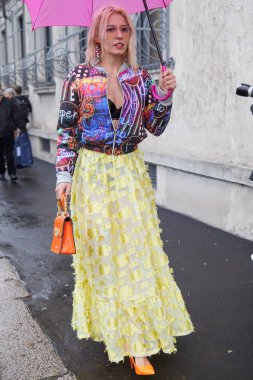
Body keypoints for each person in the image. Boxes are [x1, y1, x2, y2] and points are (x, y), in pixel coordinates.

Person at [55, 5, 194, 375]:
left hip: (130, 173)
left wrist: (164, 96)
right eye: (111, 29)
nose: (119, 35)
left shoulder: (140, 79)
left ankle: (137, 342)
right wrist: (63, 177)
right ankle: (113, 326)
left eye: (125, 30)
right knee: (104, 256)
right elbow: (66, 132)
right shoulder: (79, 78)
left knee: (134, 251)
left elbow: (156, 126)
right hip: (94, 174)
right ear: (97, 36)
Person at [0, 89, 24, 181]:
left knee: (9, 153)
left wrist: (20, 127)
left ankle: (12, 173)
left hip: (7, 132)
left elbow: (16, 115)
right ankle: (1, 172)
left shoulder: (8, 102)